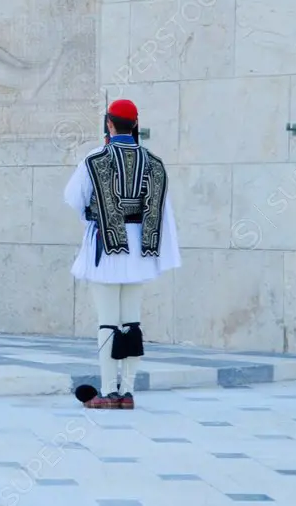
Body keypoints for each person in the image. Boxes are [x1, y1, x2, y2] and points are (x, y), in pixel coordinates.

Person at [63, 99, 181, 410]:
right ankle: (127, 392)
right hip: (140, 249)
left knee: (107, 321)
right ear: (135, 125)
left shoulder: (95, 158)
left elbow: (74, 198)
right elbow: (161, 209)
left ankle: (108, 390)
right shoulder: (154, 162)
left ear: (110, 125)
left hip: (107, 245)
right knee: (131, 321)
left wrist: (94, 213)